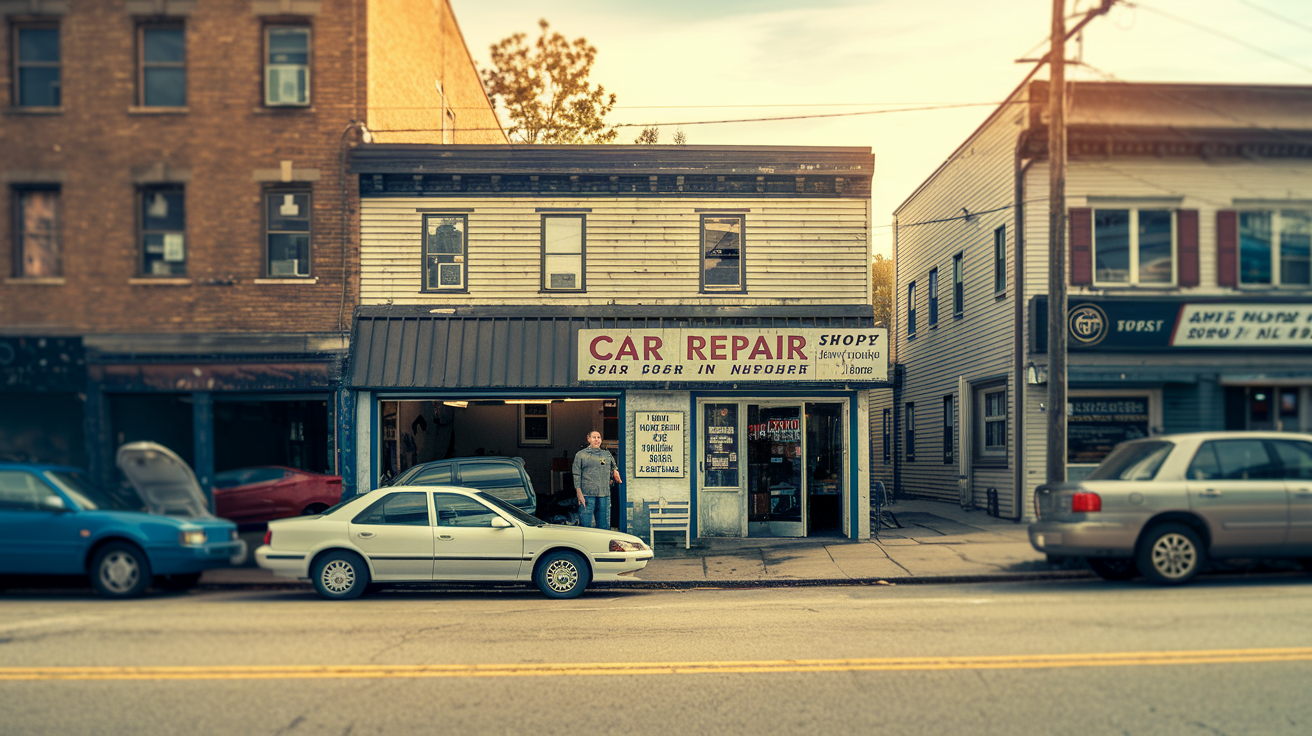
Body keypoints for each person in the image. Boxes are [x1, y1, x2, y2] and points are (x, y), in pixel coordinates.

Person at [571, 430, 622, 529]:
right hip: (587, 494)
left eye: (598, 437)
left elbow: (613, 467)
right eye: (594, 437)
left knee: (604, 526)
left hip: (604, 494)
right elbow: (576, 473)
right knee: (585, 525)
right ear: (588, 438)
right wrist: (578, 492)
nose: (597, 440)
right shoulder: (581, 455)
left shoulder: (606, 455)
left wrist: (615, 472)